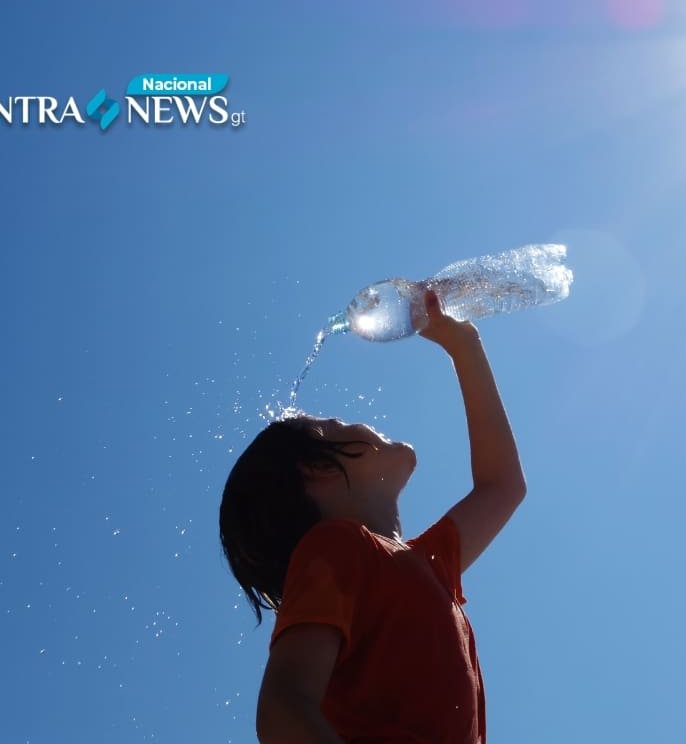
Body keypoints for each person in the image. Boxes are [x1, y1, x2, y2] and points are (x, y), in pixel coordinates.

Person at [219, 290, 527, 743]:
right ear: (318, 470)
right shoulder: (338, 549)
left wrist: (465, 345)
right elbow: (284, 706)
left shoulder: (428, 563)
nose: (360, 424)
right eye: (339, 426)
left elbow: (503, 486)